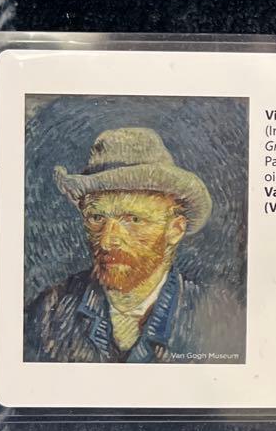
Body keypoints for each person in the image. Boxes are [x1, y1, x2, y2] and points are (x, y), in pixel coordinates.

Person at [25, 127, 244, 364]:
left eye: (134, 219)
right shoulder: (48, 313)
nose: (107, 241)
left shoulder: (215, 317)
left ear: (175, 229)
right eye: (96, 218)